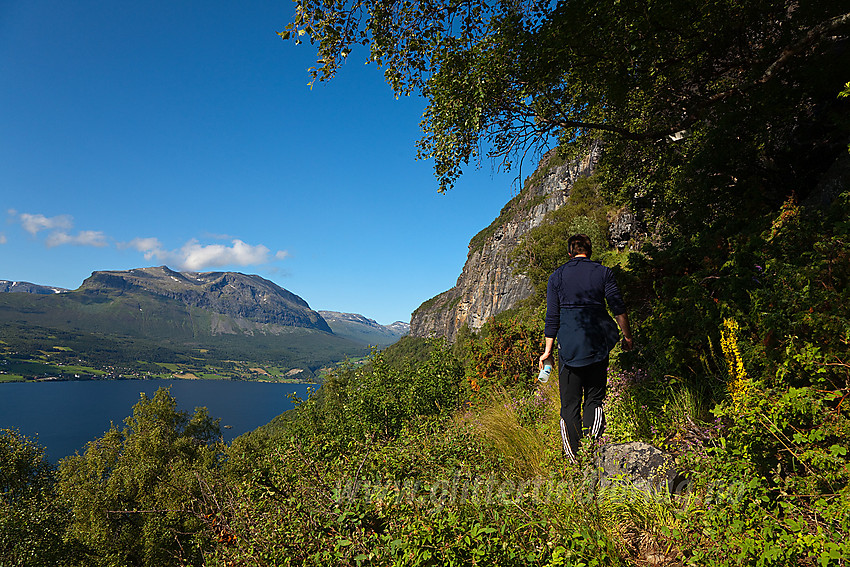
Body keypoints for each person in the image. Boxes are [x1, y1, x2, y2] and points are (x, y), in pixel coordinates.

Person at [539, 234, 633, 461]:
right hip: (598, 345)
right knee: (594, 399)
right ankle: (594, 453)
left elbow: (552, 317)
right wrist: (627, 337)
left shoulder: (557, 277)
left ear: (570, 253)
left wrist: (547, 351)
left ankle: (576, 461)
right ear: (589, 252)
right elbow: (618, 308)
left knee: (569, 406)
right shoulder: (604, 273)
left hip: (569, 349)